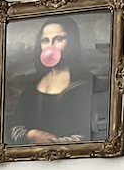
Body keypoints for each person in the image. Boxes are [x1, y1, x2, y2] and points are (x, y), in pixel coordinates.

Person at [6, 15, 100, 146]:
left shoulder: (88, 84)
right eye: (45, 40)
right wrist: (31, 135)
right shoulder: (32, 87)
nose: (51, 47)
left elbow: (91, 133)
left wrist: (52, 142)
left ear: (72, 42)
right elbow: (14, 128)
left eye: (58, 39)